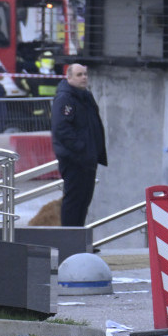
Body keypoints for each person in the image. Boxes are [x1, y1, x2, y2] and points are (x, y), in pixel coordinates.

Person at [50, 63, 107, 227]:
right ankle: (70, 241)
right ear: (69, 77)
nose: (84, 77)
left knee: (84, 201)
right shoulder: (65, 98)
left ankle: (79, 239)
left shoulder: (85, 96)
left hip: (88, 159)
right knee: (73, 201)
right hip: (75, 159)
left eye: (85, 74)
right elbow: (62, 129)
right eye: (79, 75)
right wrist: (82, 148)